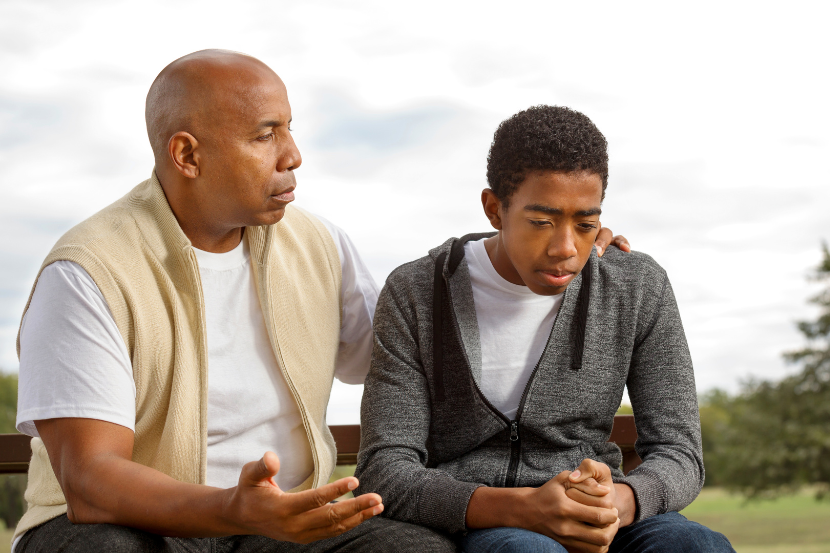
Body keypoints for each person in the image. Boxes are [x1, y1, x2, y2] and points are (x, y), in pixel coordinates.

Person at [12, 51, 627, 552]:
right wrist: (234, 508)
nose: (293, 153)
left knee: (416, 552)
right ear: (187, 155)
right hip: (124, 527)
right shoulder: (87, 271)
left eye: (289, 126)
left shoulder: (317, 244)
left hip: (278, 525)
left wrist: (551, 249)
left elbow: (416, 348)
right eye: (265, 134)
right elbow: (91, 483)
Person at [354, 106, 735, 552]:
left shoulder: (635, 287)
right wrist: (523, 507)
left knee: (695, 546)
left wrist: (619, 499)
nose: (565, 249)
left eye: (586, 224)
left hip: (605, 516)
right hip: (485, 519)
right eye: (541, 222)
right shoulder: (417, 292)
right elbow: (386, 470)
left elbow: (680, 452)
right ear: (494, 209)